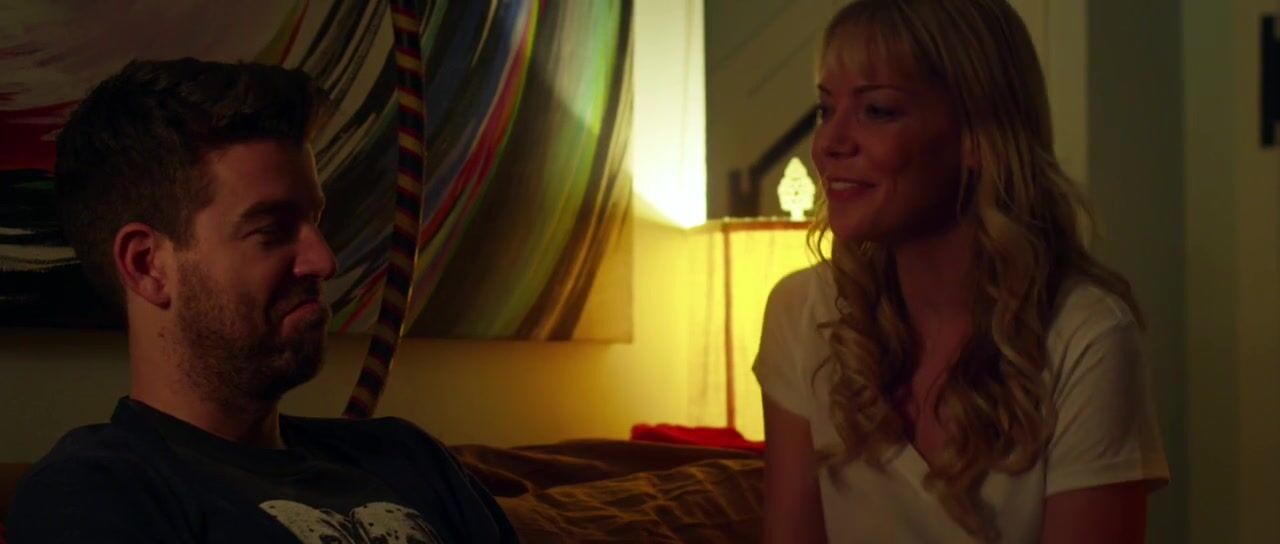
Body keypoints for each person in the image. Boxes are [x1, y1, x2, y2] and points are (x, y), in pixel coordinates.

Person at [5, 58, 517, 543]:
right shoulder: (95, 493)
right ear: (147, 265)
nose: (323, 261)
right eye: (272, 230)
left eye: (314, 221)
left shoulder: (408, 457)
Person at [753, 1, 1169, 542]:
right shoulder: (803, 314)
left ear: (977, 135)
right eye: (825, 110)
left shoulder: (1085, 335)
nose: (829, 143)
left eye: (877, 110)